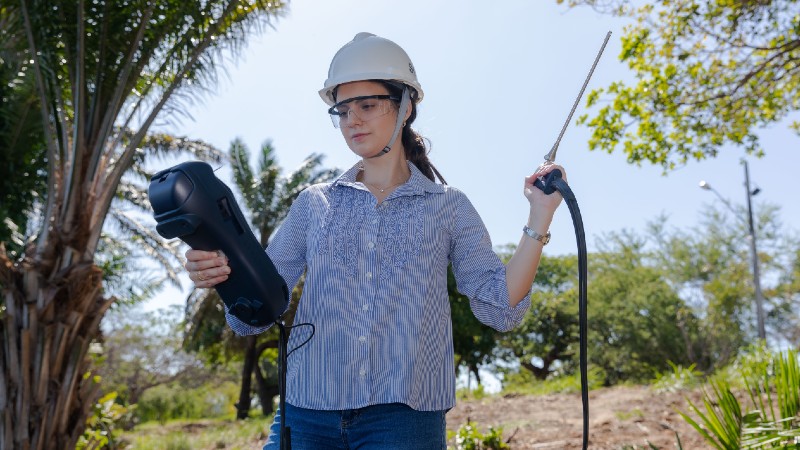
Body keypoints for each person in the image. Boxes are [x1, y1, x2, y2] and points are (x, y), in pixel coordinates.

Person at [184, 32, 566, 449]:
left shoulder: (450, 207)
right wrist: (224, 276)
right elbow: (254, 312)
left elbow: (500, 307)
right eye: (343, 110)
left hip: (404, 418)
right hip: (306, 411)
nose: (353, 121)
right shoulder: (314, 204)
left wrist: (539, 215)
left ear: (406, 107)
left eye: (367, 105)